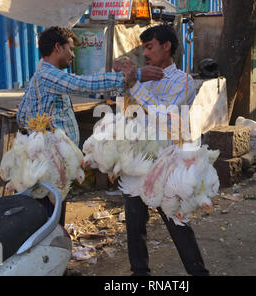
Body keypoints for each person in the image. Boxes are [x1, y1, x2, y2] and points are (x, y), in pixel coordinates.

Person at [16, 26, 163, 225]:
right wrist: (130, 76)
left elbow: (22, 114)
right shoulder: (46, 76)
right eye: (70, 49)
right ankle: (48, 249)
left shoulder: (44, 75)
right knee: (48, 215)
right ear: (58, 47)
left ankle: (51, 246)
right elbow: (82, 84)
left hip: (54, 162)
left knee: (52, 210)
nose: (73, 55)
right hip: (49, 163)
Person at [120, 24, 209, 276]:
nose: (145, 53)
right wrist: (123, 79)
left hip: (167, 164)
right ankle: (140, 275)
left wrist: (135, 85)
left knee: (177, 221)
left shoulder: (183, 81)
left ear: (166, 46)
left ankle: (198, 273)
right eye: (143, 48)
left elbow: (165, 116)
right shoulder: (143, 79)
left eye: (149, 47)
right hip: (138, 162)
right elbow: (128, 110)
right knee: (134, 224)